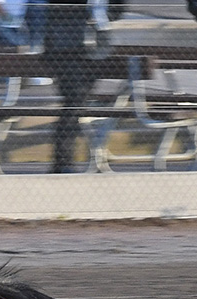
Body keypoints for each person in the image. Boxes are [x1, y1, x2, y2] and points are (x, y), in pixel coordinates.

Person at [42, 0, 120, 172]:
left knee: (76, 103)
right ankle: (63, 161)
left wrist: (100, 16)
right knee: (74, 101)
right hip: (64, 47)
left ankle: (64, 160)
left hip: (96, 47)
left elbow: (119, 7)